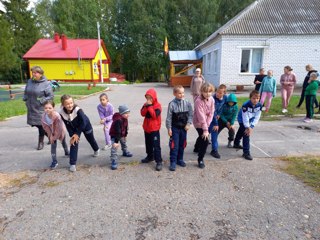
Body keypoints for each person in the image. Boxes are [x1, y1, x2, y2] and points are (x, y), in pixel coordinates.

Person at [59, 94, 100, 172]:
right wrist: (72, 135)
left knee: (90, 139)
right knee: (74, 142)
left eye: (71, 103)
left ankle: (96, 149)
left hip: (85, 125)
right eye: (67, 104)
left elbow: (83, 122)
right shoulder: (61, 113)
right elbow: (67, 125)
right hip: (74, 127)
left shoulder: (78, 110)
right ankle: (72, 164)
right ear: (63, 104)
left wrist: (77, 133)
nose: (70, 105)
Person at [23, 66, 53, 150]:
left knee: (41, 125)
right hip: (31, 106)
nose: (33, 74)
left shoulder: (46, 83)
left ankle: (41, 142)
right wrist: (25, 98)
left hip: (40, 108)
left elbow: (50, 96)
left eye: (35, 72)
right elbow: (26, 91)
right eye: (32, 72)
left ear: (40, 74)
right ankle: (50, 136)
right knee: (36, 124)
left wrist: (41, 101)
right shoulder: (29, 81)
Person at [166, 85, 193, 171]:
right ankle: (173, 161)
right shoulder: (172, 104)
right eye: (180, 93)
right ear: (174, 94)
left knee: (182, 144)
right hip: (175, 128)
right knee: (174, 145)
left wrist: (188, 124)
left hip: (184, 128)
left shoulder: (187, 103)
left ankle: (180, 159)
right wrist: (169, 128)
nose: (182, 95)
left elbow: (191, 114)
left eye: (183, 93)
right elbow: (169, 117)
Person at [234, 90, 262, 161]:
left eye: (257, 98)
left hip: (250, 120)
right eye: (253, 98)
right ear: (250, 98)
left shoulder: (260, 105)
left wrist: (252, 126)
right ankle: (246, 153)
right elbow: (245, 117)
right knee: (246, 134)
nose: (255, 100)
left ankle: (236, 143)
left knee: (241, 130)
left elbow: (257, 117)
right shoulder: (245, 105)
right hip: (242, 120)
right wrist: (248, 127)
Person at [41, 100, 69, 169]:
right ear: (43, 108)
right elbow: (46, 127)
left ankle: (67, 152)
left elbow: (59, 129)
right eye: (46, 108)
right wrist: (50, 136)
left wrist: (54, 137)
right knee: (53, 146)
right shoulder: (43, 116)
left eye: (50, 108)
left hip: (60, 131)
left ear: (53, 108)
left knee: (63, 142)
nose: (47, 110)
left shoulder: (57, 116)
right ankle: (54, 161)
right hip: (51, 132)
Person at [140, 88, 163, 171]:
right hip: (147, 128)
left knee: (156, 145)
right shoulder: (146, 104)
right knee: (148, 143)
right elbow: (142, 113)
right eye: (147, 98)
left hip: (154, 128)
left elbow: (154, 115)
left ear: (154, 97)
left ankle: (159, 161)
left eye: (150, 98)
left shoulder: (158, 106)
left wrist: (149, 106)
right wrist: (146, 106)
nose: (148, 100)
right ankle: (150, 156)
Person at [193, 82, 215, 169]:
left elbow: (211, 113)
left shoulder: (212, 99)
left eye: (210, 92)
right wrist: (206, 130)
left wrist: (208, 124)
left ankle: (196, 147)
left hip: (207, 122)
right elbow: (201, 116)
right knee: (205, 140)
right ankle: (200, 159)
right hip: (199, 122)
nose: (208, 94)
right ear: (201, 91)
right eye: (205, 92)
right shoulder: (198, 101)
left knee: (202, 137)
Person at [211, 93, 238, 158]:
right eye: (230, 102)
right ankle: (213, 140)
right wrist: (226, 122)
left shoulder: (236, 107)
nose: (231, 103)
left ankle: (230, 141)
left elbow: (234, 115)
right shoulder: (224, 105)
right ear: (227, 101)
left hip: (230, 122)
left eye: (232, 102)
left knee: (232, 131)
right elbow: (221, 114)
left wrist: (231, 123)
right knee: (216, 131)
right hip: (222, 120)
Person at [109, 105, 133, 170]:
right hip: (115, 135)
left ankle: (125, 152)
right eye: (126, 113)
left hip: (121, 134)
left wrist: (125, 135)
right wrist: (116, 142)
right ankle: (113, 160)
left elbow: (125, 128)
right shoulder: (118, 120)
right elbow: (117, 131)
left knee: (123, 143)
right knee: (114, 148)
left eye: (128, 113)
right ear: (122, 113)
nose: (128, 115)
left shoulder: (125, 119)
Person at [209, 84, 228, 158]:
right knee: (205, 132)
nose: (218, 94)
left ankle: (214, 150)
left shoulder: (225, 98)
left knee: (214, 134)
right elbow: (212, 111)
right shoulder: (212, 98)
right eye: (217, 92)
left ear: (224, 93)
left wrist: (219, 114)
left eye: (220, 93)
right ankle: (197, 147)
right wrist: (216, 123)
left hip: (216, 117)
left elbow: (223, 107)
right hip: (210, 118)